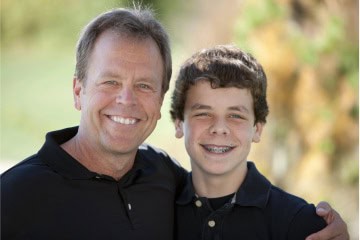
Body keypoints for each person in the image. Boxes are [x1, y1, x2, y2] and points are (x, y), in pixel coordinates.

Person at [1, 6, 348, 240]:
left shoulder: (162, 173)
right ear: (79, 91)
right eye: (110, 82)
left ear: (161, 98)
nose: (127, 100)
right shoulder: (15, 197)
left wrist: (318, 223)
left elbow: (226, 181)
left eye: (144, 85)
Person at [170, 45, 349, 240]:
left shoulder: (301, 224)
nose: (219, 128)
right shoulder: (154, 210)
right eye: (203, 113)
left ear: (257, 129)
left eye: (235, 115)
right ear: (179, 123)